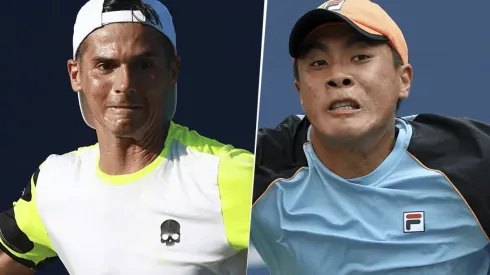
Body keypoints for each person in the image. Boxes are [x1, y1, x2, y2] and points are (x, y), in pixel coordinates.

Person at [0, 0, 254, 274]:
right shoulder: (53, 183)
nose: (124, 84)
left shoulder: (227, 176)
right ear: (76, 75)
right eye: (105, 66)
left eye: (144, 65)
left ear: (172, 72)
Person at [250, 0, 490, 274]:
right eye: (319, 63)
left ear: (403, 80)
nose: (338, 76)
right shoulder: (256, 166)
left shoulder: (475, 161)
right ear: (300, 92)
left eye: (360, 57)